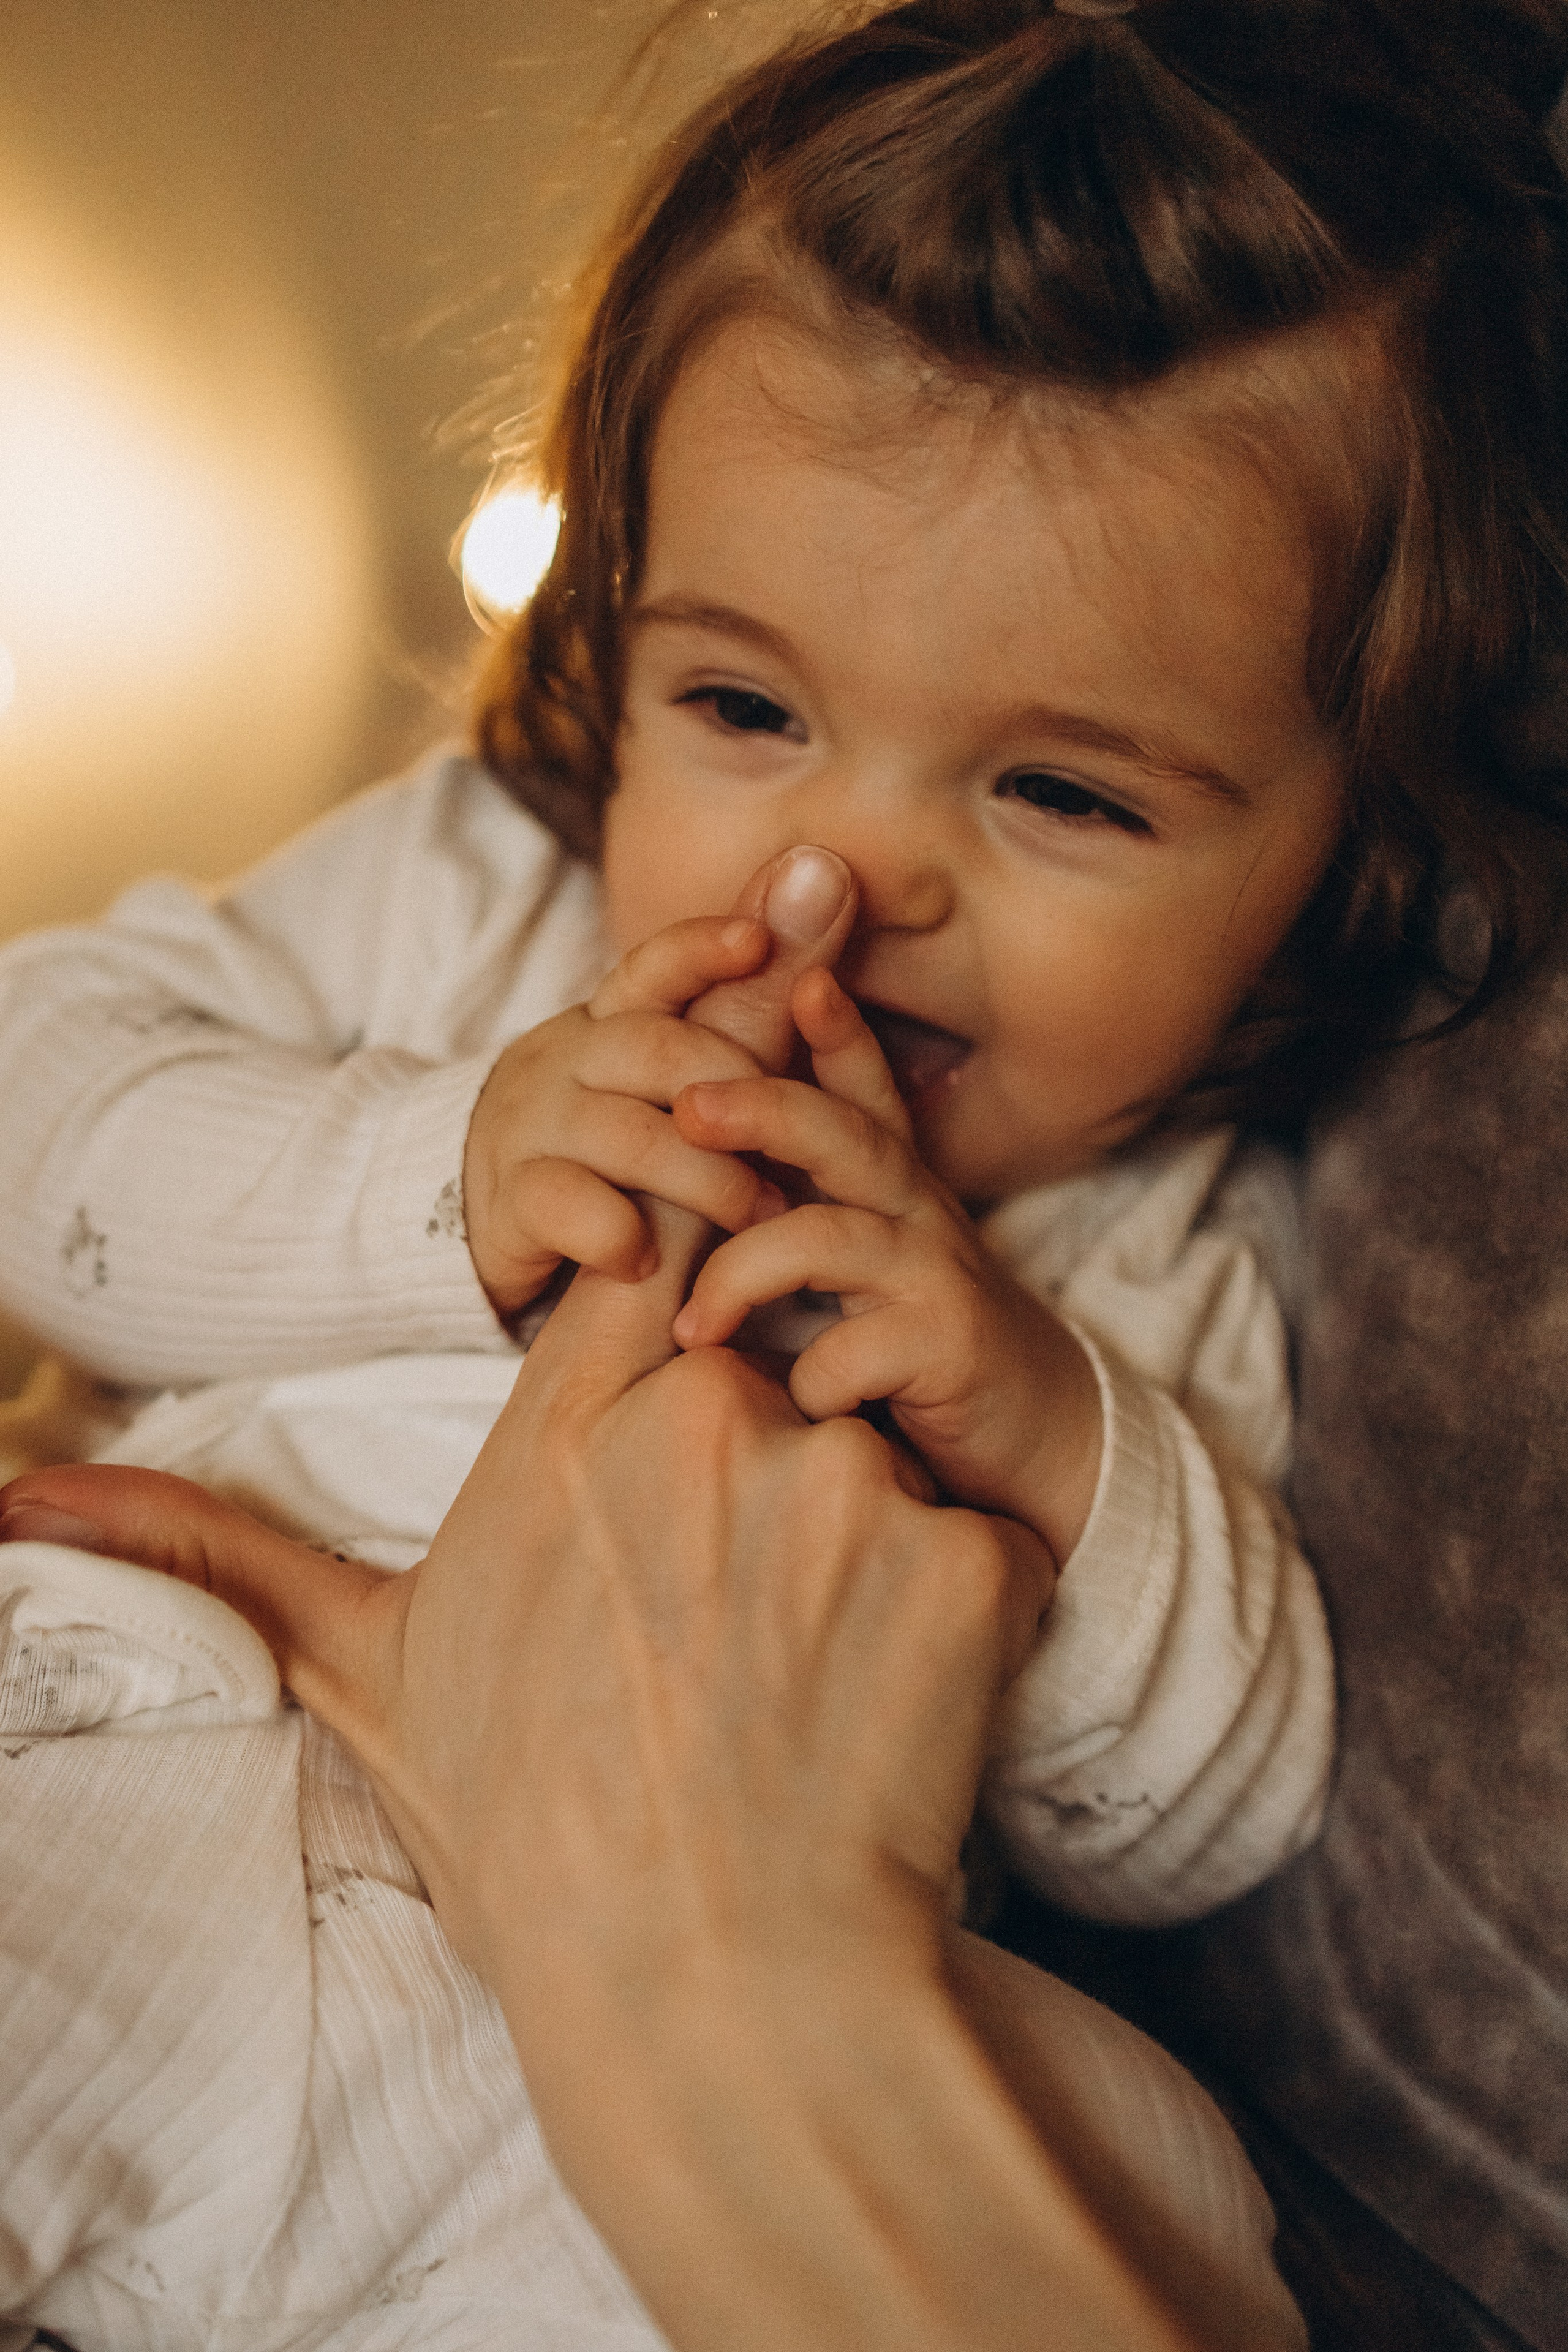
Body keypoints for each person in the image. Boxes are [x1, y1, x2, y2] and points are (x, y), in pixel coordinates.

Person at [1, 0, 1566, 2335]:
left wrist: (1044, 1434)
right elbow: (35, 1103)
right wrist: (443, 1169)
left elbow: (1224, 1813)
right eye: (742, 708)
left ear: (1337, 875)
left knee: (1162, 2186)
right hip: (164, 1726)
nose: (855, 862)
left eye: (1066, 794)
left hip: (560, 2104)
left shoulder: (1161, 1248)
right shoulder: (482, 894)